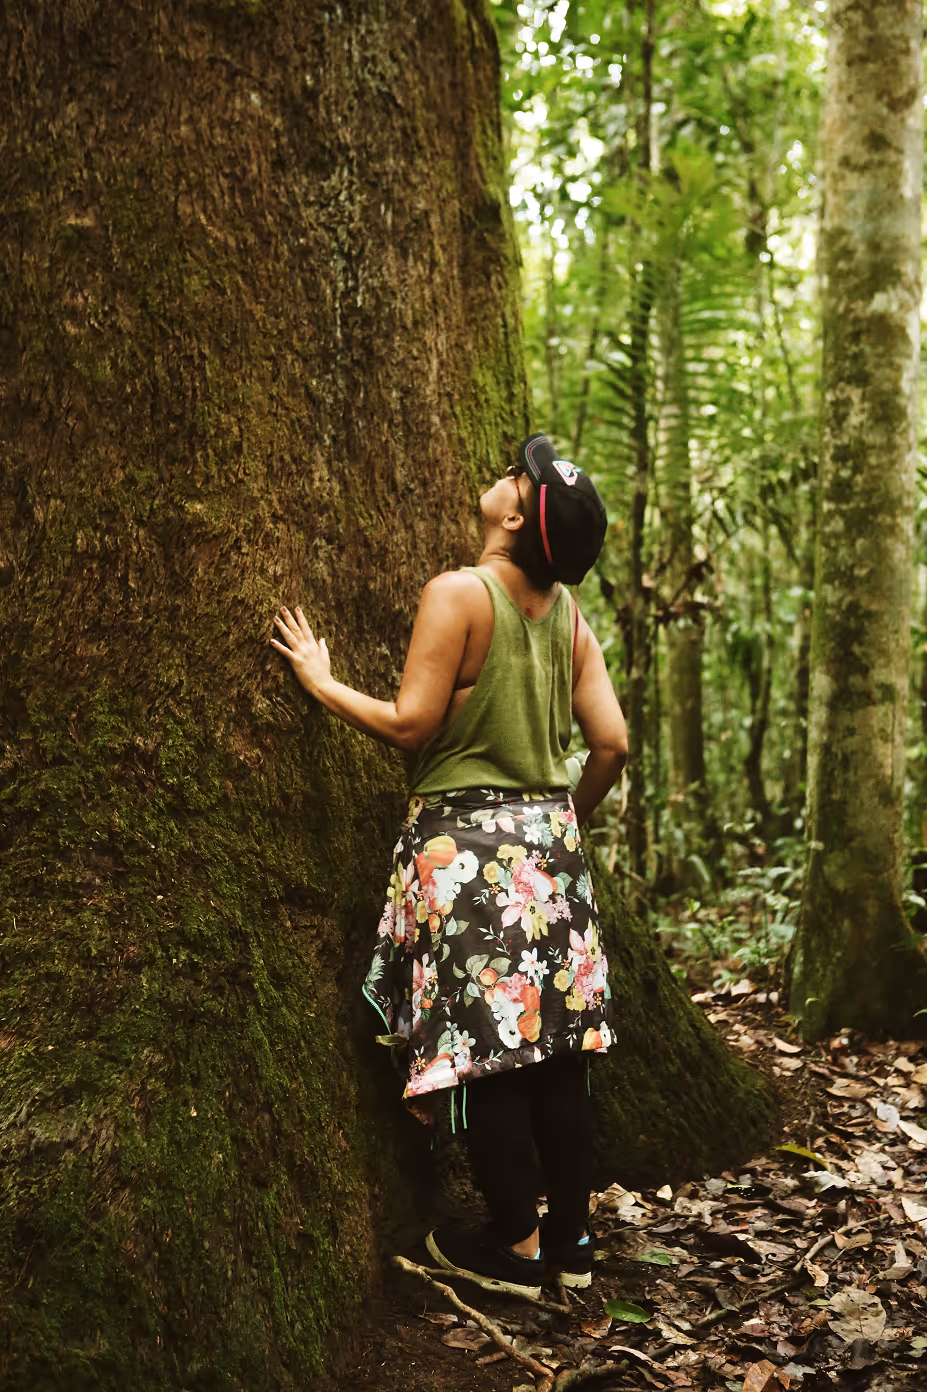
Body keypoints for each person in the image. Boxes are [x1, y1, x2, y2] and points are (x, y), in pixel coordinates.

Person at [271, 433, 628, 1300]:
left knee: (488, 1054)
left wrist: (319, 682)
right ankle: (572, 1242)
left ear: (513, 516)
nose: (507, 475)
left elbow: (408, 725)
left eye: (519, 477)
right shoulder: (570, 620)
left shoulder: (459, 595)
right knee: (558, 1051)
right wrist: (552, 828)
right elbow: (611, 745)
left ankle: (515, 1244)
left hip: (462, 856)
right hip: (554, 852)